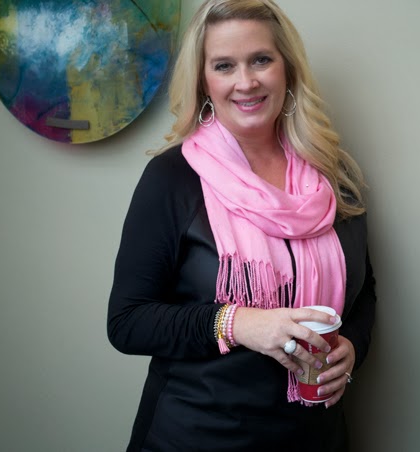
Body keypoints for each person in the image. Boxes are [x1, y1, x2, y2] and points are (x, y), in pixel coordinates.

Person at [107, 1, 376, 450]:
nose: (246, 81)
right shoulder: (172, 179)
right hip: (196, 437)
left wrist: (353, 345)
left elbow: (364, 289)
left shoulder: (334, 176)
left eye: (261, 60)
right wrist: (238, 323)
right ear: (204, 81)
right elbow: (127, 321)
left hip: (315, 438)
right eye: (224, 65)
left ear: (287, 69)